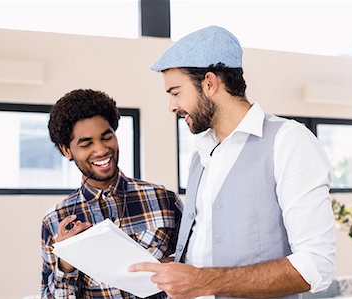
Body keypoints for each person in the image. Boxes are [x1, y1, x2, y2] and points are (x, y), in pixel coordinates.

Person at [128, 26, 336, 299]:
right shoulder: (200, 154)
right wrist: (175, 270)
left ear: (209, 83)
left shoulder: (289, 141)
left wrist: (203, 281)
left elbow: (317, 265)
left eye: (176, 92)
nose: (171, 106)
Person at [41, 89, 183, 298]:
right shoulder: (55, 221)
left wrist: (173, 268)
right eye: (86, 143)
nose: (101, 150)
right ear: (66, 150)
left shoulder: (165, 200)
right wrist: (66, 265)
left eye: (107, 137)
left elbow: (196, 272)